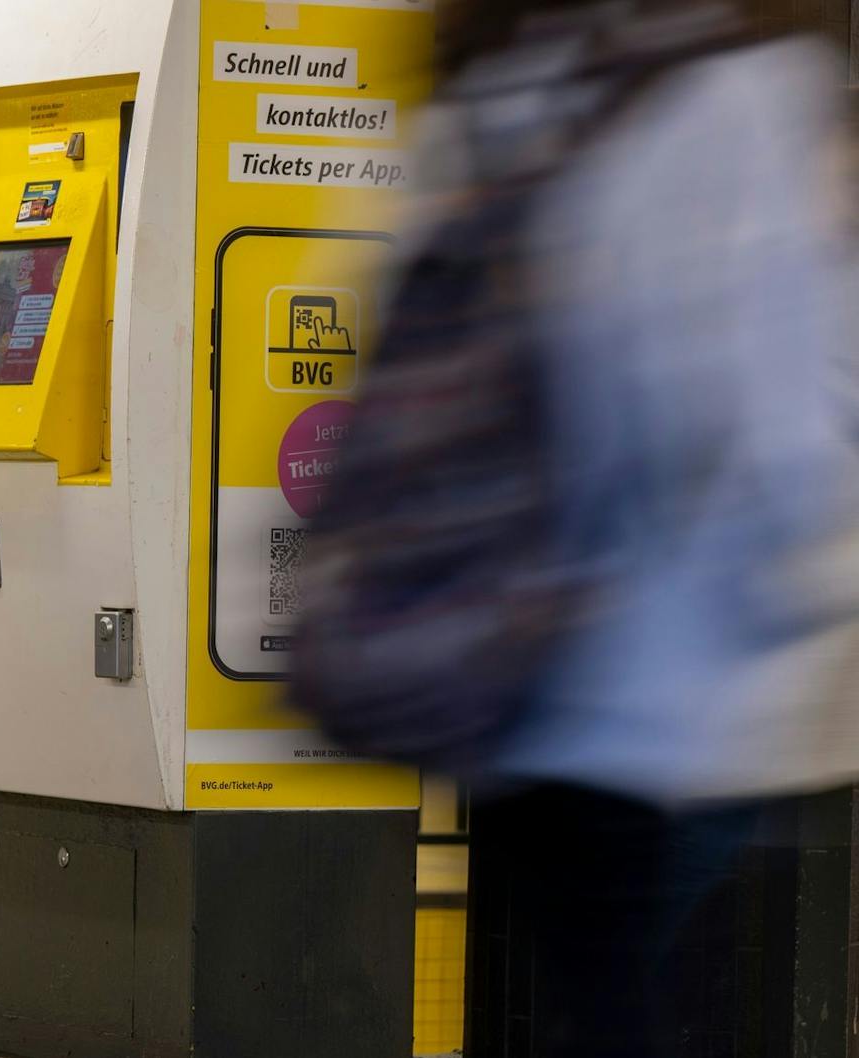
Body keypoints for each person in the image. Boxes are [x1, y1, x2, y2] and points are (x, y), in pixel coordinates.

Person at [296, 2, 859, 1055]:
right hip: (667, 687)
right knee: (640, 998)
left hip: (496, 666)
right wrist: (813, 584)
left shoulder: (490, 82)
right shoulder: (733, 98)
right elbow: (760, 419)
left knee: (577, 990)